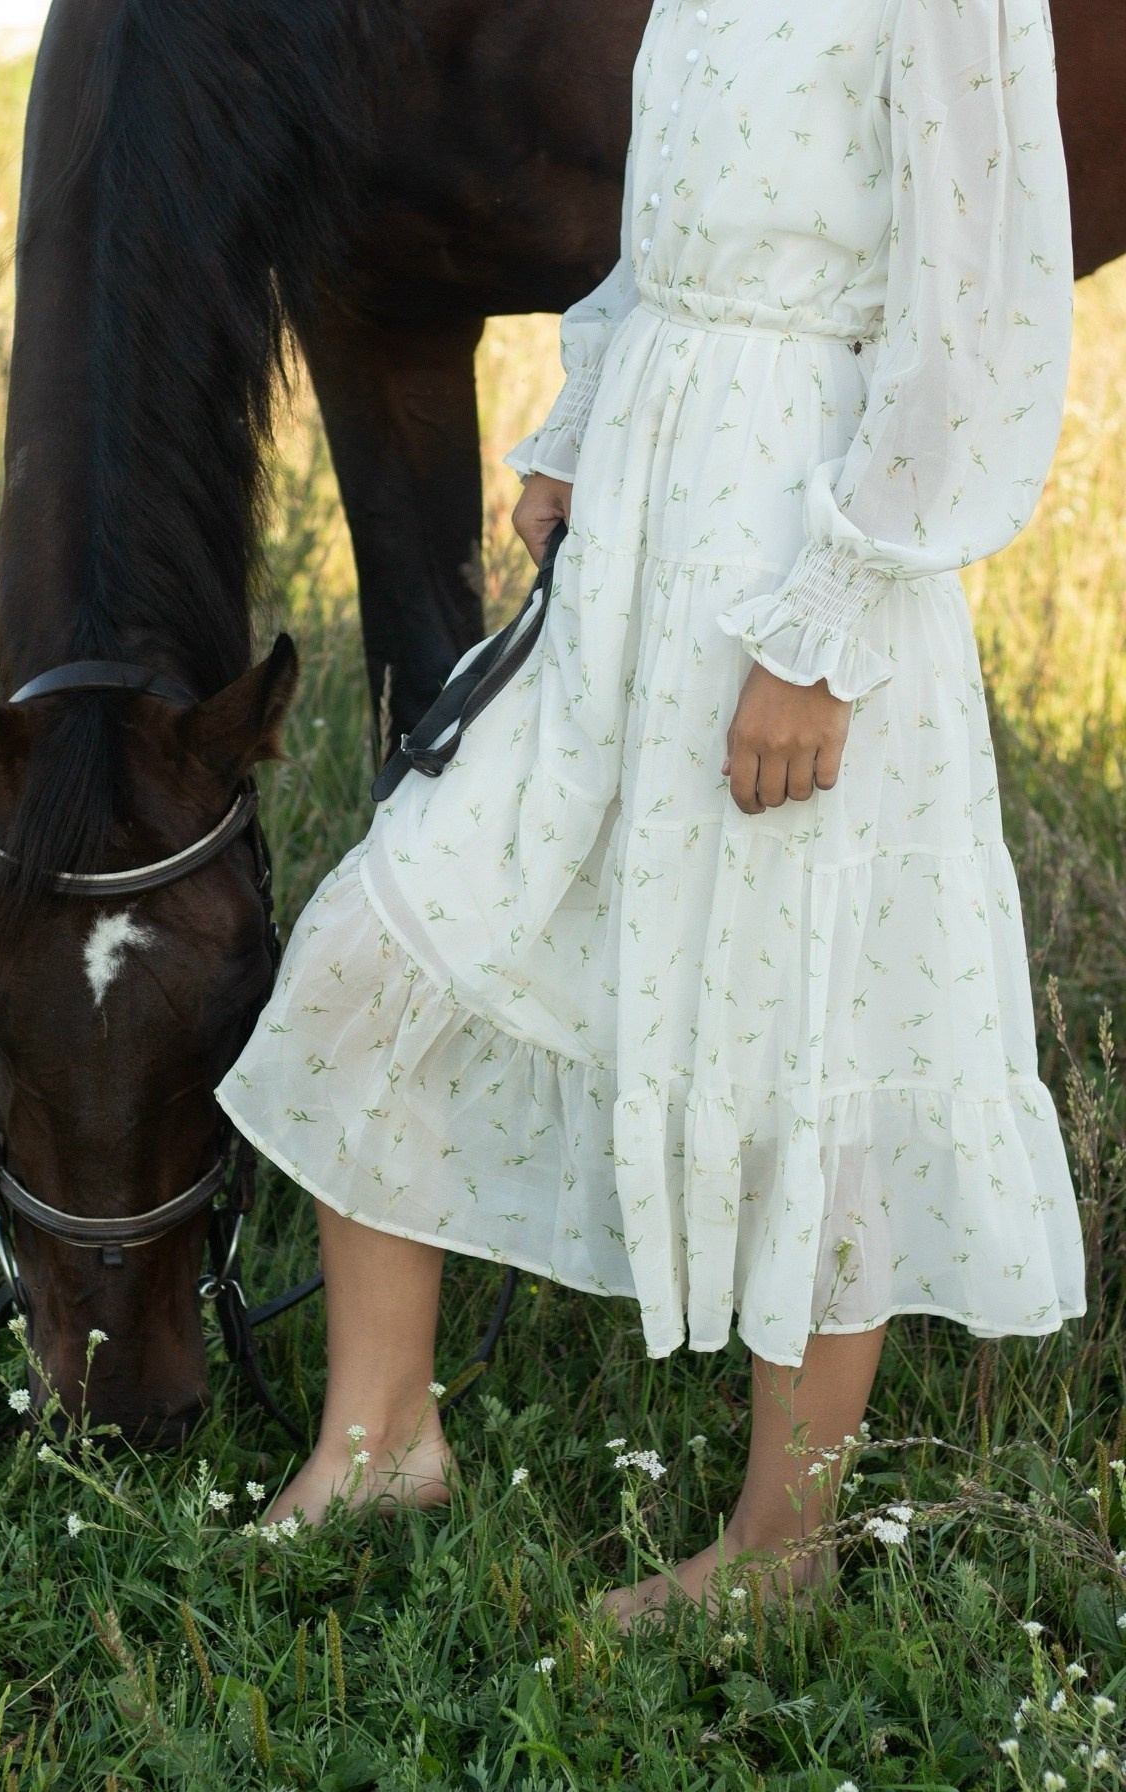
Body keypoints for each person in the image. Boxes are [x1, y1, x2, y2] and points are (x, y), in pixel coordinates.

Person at [218, 0, 1086, 1622]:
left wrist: (827, 630)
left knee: (802, 1040)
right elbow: (660, 240)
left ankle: (780, 1555)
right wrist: (581, 424)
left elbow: (976, 324)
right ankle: (382, 1433)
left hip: (794, 539)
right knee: (379, 938)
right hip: (639, 539)